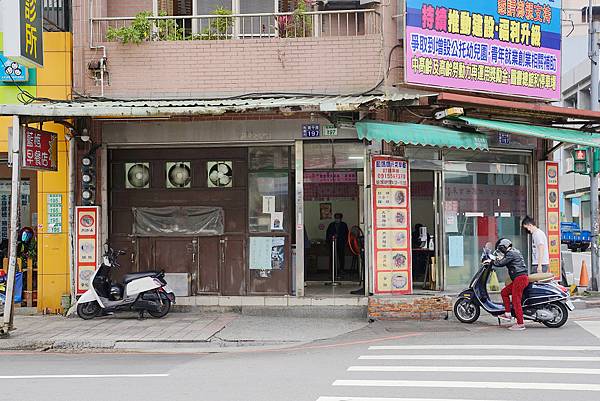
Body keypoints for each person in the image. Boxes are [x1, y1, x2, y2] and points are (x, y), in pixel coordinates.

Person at [486, 238, 529, 331]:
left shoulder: (511, 253)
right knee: (504, 292)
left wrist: (491, 261)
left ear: (503, 247)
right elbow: (503, 260)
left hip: (519, 279)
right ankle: (508, 314)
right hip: (519, 279)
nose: (500, 251)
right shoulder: (514, 251)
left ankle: (520, 324)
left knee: (516, 300)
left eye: (500, 249)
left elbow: (501, 263)